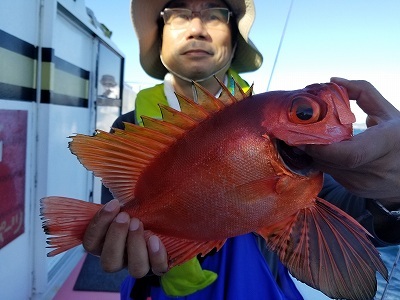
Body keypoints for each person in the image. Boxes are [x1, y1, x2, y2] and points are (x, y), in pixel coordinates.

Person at [83, 0, 400, 299]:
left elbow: (344, 205)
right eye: (178, 14)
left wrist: (393, 191)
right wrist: (122, 240)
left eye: (215, 14)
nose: (197, 27)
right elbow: (126, 214)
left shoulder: (272, 123)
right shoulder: (129, 127)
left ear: (235, 43)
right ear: (159, 41)